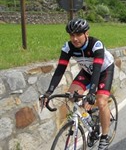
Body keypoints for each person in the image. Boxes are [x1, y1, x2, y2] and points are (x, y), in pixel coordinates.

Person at [39, 18, 115, 150]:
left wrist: (92, 93)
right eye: (72, 35)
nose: (75, 39)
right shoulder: (68, 47)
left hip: (103, 70)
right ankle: (90, 120)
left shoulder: (95, 44)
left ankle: (104, 136)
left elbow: (97, 70)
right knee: (71, 96)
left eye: (78, 34)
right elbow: (60, 70)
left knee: (101, 101)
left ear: (86, 34)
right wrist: (48, 92)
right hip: (87, 71)